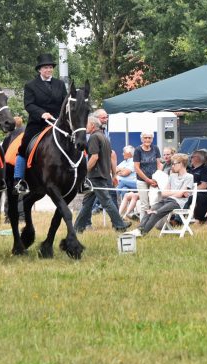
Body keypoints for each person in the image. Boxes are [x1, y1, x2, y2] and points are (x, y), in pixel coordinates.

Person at [14, 53, 67, 197]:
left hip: (57, 122)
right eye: (46, 67)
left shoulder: (60, 84)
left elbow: (65, 103)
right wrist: (42, 113)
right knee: (24, 146)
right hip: (38, 123)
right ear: (39, 70)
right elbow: (29, 104)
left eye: (50, 67)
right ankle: (20, 180)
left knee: (75, 142)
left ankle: (82, 178)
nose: (48, 70)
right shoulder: (30, 85)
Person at [74, 111, 130, 233]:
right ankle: (77, 228)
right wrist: (113, 173)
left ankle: (120, 224)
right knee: (87, 203)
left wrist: (84, 171)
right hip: (102, 174)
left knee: (106, 201)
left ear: (93, 126)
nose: (85, 127)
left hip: (96, 175)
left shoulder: (94, 137)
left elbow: (94, 157)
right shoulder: (104, 137)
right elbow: (111, 156)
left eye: (87, 125)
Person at [132, 152, 194, 236]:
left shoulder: (189, 177)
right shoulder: (172, 176)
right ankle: (139, 230)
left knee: (156, 212)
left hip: (178, 203)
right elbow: (164, 193)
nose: (172, 166)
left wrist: (175, 193)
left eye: (174, 164)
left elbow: (180, 195)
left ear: (181, 164)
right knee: (149, 211)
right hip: (167, 200)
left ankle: (142, 233)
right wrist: (179, 192)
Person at [133, 131, 162, 219]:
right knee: (144, 204)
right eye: (145, 137)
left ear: (152, 139)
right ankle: (143, 224)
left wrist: (157, 177)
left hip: (154, 180)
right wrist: (147, 180)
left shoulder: (155, 148)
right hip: (142, 180)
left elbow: (159, 164)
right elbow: (136, 168)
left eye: (149, 138)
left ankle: (154, 222)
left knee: (155, 202)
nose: (147, 139)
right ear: (142, 139)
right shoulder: (138, 150)